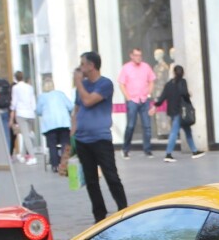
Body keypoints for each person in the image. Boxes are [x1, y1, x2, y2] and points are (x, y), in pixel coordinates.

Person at [72, 51, 128, 222]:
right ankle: (99, 215)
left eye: (83, 64)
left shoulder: (105, 84)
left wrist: (78, 83)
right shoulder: (81, 87)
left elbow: (88, 101)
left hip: (101, 139)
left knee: (111, 176)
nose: (80, 68)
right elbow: (77, 110)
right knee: (90, 180)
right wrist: (71, 136)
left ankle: (124, 210)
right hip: (82, 139)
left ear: (91, 65)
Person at [151, 65, 205, 162]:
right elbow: (184, 93)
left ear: (173, 72)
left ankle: (194, 151)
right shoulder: (182, 82)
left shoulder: (168, 84)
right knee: (174, 133)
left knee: (187, 131)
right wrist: (189, 94)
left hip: (172, 111)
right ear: (183, 73)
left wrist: (155, 106)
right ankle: (168, 154)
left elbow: (162, 97)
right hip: (180, 112)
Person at [118, 47, 155, 159]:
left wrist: (149, 93)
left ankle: (147, 149)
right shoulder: (126, 68)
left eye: (140, 55)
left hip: (144, 99)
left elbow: (151, 81)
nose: (138, 57)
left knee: (147, 126)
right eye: (136, 55)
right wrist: (128, 97)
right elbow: (121, 83)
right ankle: (125, 149)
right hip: (133, 100)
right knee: (130, 126)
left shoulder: (146, 67)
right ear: (131, 55)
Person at [37, 75, 73, 171]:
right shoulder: (60, 94)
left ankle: (55, 166)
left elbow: (38, 111)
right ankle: (65, 165)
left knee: (52, 145)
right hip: (63, 122)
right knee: (65, 143)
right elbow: (70, 106)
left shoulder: (42, 97)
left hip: (49, 125)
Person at [11, 71, 38, 164]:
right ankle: (22, 155)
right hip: (30, 113)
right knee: (28, 134)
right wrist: (33, 110)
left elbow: (14, 102)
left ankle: (33, 157)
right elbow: (33, 101)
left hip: (21, 113)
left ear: (15, 78)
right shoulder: (29, 87)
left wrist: (12, 111)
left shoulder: (15, 88)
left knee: (25, 136)